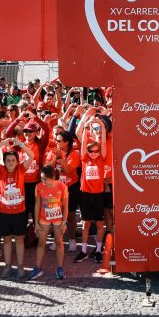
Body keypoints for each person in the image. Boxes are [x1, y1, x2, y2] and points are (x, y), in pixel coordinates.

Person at [0, 137, 35, 278]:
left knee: (19, 239)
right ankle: (8, 266)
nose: (10, 163)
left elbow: (31, 155)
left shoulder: (21, 169)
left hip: (20, 212)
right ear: (4, 161)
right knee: (7, 240)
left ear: (17, 161)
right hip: (4, 212)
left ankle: (20, 266)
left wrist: (20, 144)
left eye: (13, 160)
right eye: (8, 160)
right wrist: (1, 144)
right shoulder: (0, 170)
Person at [74, 119, 108, 263]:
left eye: (96, 151)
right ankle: (83, 251)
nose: (94, 153)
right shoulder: (84, 158)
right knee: (86, 223)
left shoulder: (101, 159)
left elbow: (104, 143)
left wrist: (101, 125)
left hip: (98, 194)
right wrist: (86, 123)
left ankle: (99, 250)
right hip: (86, 194)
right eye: (91, 151)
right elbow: (82, 140)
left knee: (100, 224)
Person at [32, 165, 69, 279]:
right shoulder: (38, 186)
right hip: (44, 218)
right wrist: (36, 223)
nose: (43, 181)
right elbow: (37, 205)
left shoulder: (62, 186)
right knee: (41, 243)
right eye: (41, 178)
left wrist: (64, 221)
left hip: (58, 219)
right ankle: (37, 268)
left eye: (45, 179)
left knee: (59, 243)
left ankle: (60, 268)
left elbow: (66, 205)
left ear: (53, 177)